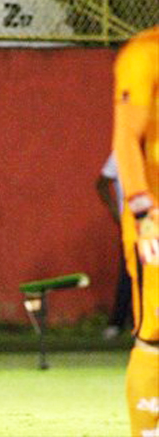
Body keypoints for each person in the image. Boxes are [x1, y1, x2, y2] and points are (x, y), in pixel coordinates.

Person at [112, 26, 158, 437]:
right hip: (156, 220)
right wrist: (144, 209)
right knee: (155, 333)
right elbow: (127, 138)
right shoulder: (146, 54)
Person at [95, 153, 133, 339]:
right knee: (129, 273)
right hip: (132, 225)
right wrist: (114, 212)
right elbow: (101, 183)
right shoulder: (121, 153)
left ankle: (140, 323)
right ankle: (117, 323)